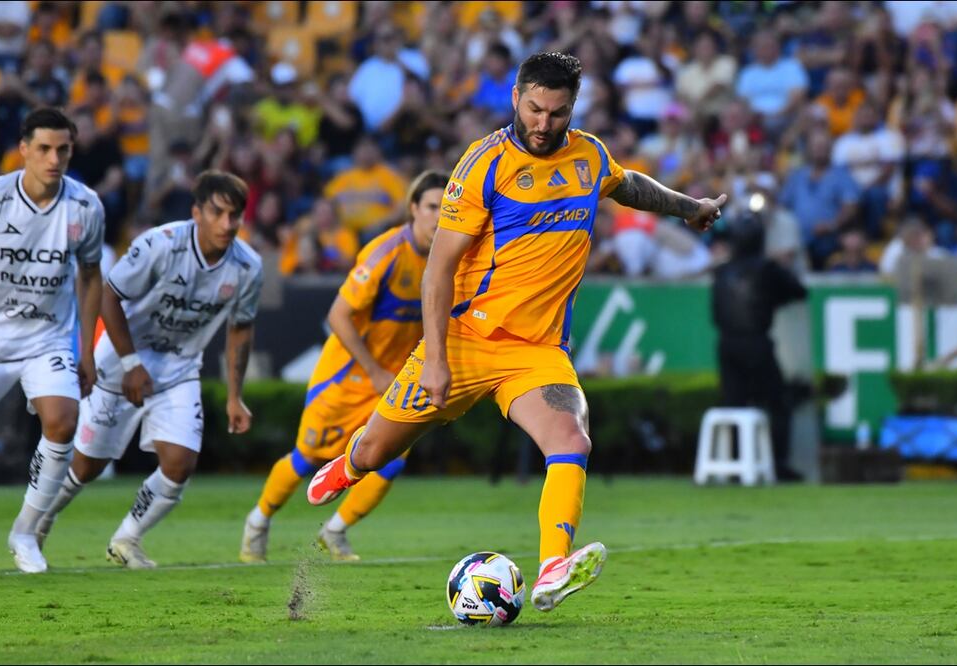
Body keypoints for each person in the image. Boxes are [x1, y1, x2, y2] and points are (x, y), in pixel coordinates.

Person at [305, 52, 726, 612]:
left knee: (571, 439)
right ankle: (350, 463)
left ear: (572, 108)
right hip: (466, 339)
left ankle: (553, 566)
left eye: (557, 113)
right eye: (534, 109)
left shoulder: (589, 155)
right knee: (380, 449)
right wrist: (433, 359)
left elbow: (627, 186)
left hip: (538, 352)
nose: (543, 124)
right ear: (515, 98)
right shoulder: (483, 164)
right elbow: (439, 269)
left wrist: (689, 207)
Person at [34, 171, 264, 570]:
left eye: (236, 215)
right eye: (219, 213)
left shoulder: (247, 266)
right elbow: (109, 296)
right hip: (119, 364)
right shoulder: (160, 245)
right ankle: (37, 523)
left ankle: (127, 539)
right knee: (87, 465)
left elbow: (240, 329)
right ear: (197, 212)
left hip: (178, 371)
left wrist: (233, 395)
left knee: (179, 464)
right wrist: (131, 363)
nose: (228, 224)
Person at [241, 170, 447, 563]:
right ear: (413, 210)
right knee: (308, 457)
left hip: (392, 380)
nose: (439, 216)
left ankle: (334, 532)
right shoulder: (385, 253)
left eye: (446, 207)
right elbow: (338, 315)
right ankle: (258, 521)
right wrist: (372, 370)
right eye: (432, 207)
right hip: (347, 375)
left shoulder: (448, 258)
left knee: (391, 460)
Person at [0, 108, 105, 573]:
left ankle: (26, 533)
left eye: (63, 150)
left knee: (62, 421)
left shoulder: (86, 206)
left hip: (47, 339)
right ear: (23, 150)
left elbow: (91, 278)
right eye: (44, 149)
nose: (54, 159)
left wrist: (87, 350)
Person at [711, 216, 808, 481]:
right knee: (778, 403)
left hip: (727, 344)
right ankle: (778, 464)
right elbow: (798, 291)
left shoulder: (722, 271)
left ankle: (734, 466)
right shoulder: (767, 268)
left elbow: (715, 313)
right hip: (756, 343)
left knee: (734, 404)